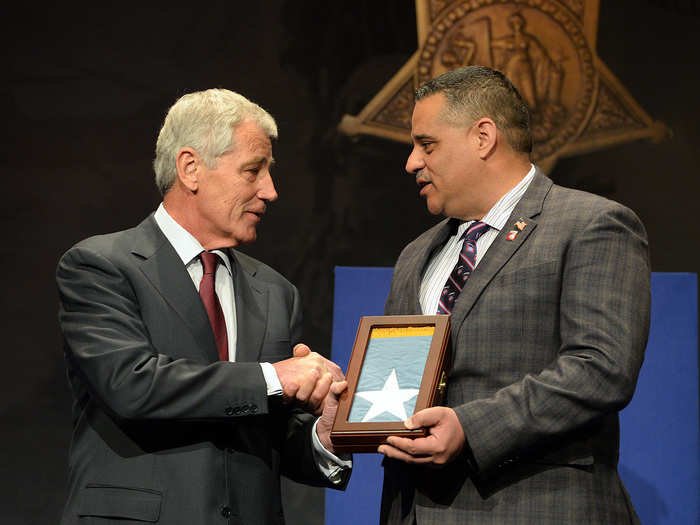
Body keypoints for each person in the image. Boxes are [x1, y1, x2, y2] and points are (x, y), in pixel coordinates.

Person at [56, 88, 351, 524]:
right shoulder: (100, 266)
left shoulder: (275, 291)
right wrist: (275, 377)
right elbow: (131, 384)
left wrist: (323, 435)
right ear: (191, 168)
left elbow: (266, 429)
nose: (270, 191)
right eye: (253, 171)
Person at [377, 66, 650, 524]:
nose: (411, 162)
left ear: (483, 137)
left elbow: (601, 368)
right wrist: (347, 405)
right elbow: (399, 386)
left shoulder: (591, 224)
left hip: (536, 508)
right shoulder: (416, 254)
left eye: (427, 144)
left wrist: (470, 428)